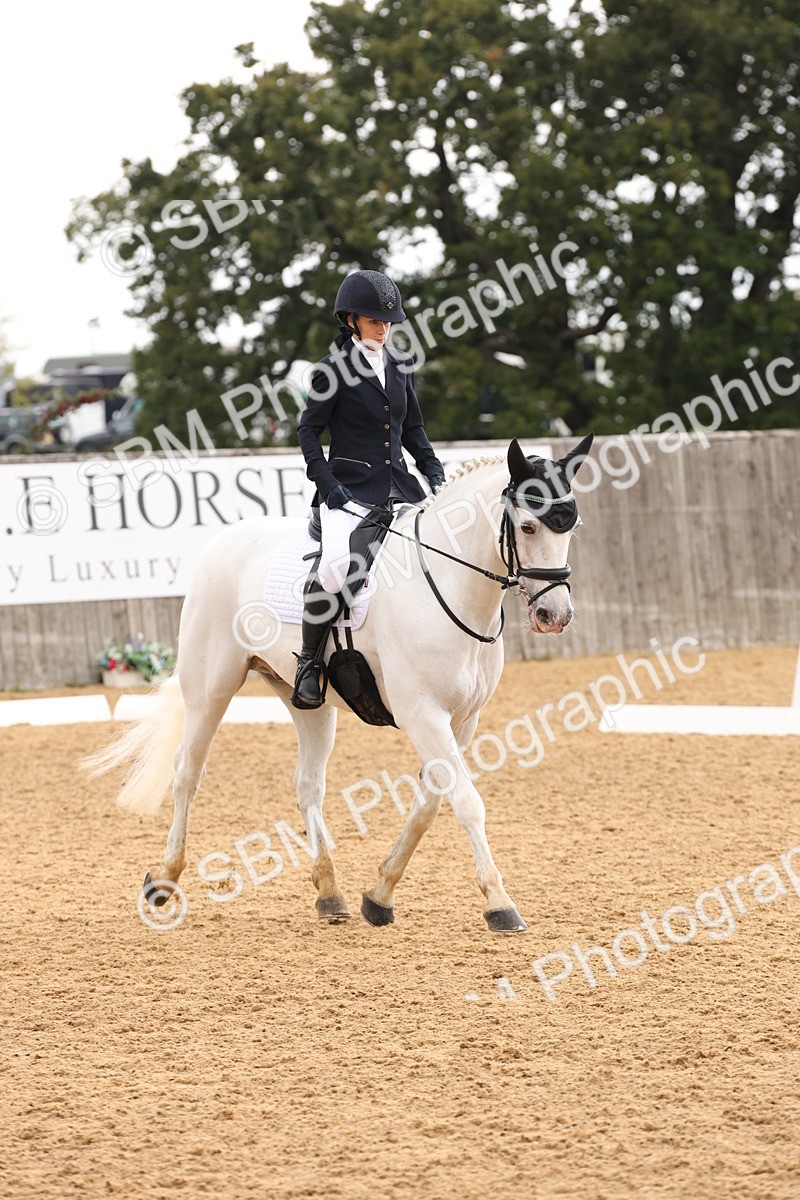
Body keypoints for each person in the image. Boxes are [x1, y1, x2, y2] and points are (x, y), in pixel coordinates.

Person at [292, 269, 446, 709]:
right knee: (339, 566)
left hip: (401, 485)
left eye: (389, 321)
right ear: (352, 320)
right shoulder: (331, 371)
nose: (384, 328)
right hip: (349, 491)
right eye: (376, 320)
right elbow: (308, 432)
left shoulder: (400, 366)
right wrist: (328, 485)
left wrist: (434, 473)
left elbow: (412, 428)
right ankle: (308, 663)